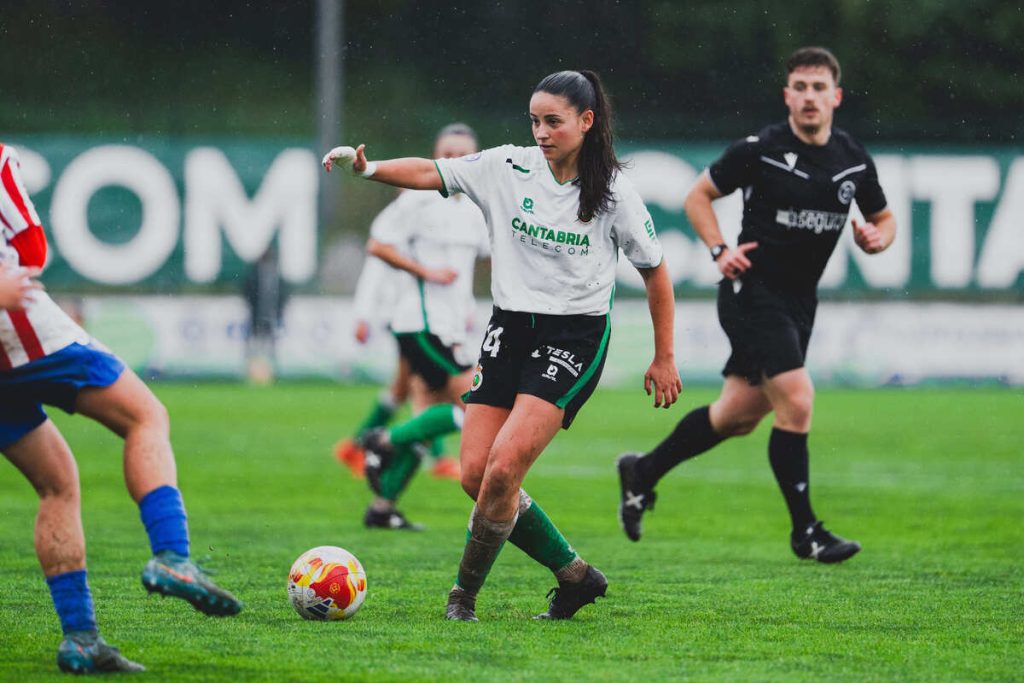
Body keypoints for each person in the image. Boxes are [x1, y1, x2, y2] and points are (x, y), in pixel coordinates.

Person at [325, 70, 681, 621]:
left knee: (502, 471)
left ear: (587, 122)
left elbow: (656, 273)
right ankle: (575, 575)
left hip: (575, 339)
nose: (541, 132)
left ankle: (462, 597)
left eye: (554, 122)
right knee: (474, 475)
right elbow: (429, 171)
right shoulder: (506, 167)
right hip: (508, 330)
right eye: (535, 120)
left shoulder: (615, 193)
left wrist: (664, 356)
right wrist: (366, 169)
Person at [616, 47, 896, 564]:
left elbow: (884, 218)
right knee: (798, 398)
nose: (809, 97)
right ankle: (806, 532)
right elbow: (697, 196)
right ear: (787, 95)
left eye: (819, 88)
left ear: (835, 96)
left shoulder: (852, 156)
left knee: (737, 416)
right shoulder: (760, 148)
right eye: (800, 87)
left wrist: (877, 240)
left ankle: (643, 471)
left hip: (799, 304)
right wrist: (719, 250)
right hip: (752, 293)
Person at [0, 141, 242, 675]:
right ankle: (172, 556)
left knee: (56, 480)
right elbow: (32, 251)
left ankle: (81, 638)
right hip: (18, 333)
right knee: (145, 415)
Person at [354, 123, 490, 530]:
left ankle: (382, 508)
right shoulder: (418, 199)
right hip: (420, 325)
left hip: (452, 328)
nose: (455, 161)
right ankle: (379, 440)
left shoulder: (474, 209)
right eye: (447, 153)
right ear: (434, 155)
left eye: (463, 154)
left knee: (431, 416)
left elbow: (486, 257)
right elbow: (377, 244)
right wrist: (424, 271)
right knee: (473, 406)